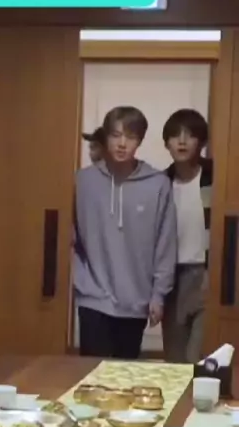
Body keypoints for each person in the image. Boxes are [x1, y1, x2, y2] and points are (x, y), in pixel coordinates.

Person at [73, 105, 177, 359]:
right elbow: (68, 235)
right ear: (105, 138)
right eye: (115, 135)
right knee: (93, 373)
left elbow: (165, 243)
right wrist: (78, 278)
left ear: (140, 141)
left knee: (123, 372)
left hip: (136, 300)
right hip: (93, 297)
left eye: (130, 137)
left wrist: (158, 295)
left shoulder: (158, 184)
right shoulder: (83, 181)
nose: (122, 144)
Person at [162, 109, 212, 364]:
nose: (181, 141)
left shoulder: (215, 176)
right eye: (175, 135)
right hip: (171, 278)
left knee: (199, 360)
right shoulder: (161, 182)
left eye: (189, 135)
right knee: (175, 360)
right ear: (166, 143)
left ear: (201, 142)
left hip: (206, 274)